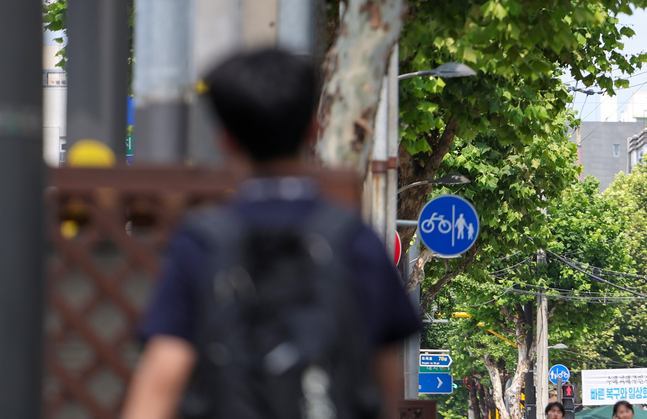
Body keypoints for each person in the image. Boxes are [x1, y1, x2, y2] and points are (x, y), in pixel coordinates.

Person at [121, 48, 422, 419]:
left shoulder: (201, 242)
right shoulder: (354, 239)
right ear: (315, 128)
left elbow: (162, 381)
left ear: (226, 140)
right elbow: (384, 383)